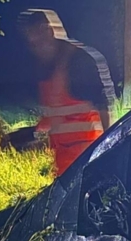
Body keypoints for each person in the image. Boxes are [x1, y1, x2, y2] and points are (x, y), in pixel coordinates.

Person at [18, 9, 116, 176]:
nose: (35, 50)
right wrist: (29, 135)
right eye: (31, 45)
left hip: (88, 165)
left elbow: (104, 107)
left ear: (48, 32)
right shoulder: (48, 68)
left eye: (37, 43)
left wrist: (108, 154)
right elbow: (57, 116)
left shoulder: (81, 63)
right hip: (65, 169)